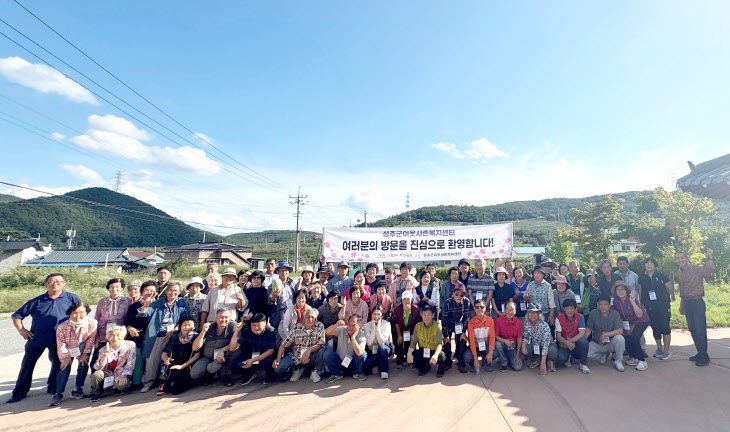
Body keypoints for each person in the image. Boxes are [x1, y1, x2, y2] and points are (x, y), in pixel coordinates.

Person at [8, 273, 81, 403]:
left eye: (59, 281)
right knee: (27, 365)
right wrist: (22, 330)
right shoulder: (36, 301)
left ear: (64, 283)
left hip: (60, 339)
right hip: (36, 339)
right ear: (46, 285)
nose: (55, 284)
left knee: (58, 364)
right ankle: (19, 393)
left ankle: (53, 387)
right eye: (51, 282)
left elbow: (81, 314)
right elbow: (17, 316)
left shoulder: (71, 298)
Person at [137, 281, 188, 393]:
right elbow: (144, 314)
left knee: (168, 359)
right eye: (170, 290)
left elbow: (185, 318)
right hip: (156, 335)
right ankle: (148, 382)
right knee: (152, 360)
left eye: (176, 290)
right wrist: (145, 306)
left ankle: (163, 382)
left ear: (179, 292)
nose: (172, 293)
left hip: (173, 335)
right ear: (166, 290)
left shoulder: (182, 303)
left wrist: (175, 330)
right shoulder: (158, 302)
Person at [49, 302, 98, 407]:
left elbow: (91, 339)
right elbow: (61, 343)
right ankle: (58, 393)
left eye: (81, 312)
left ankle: (78, 388)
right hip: (68, 349)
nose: (78, 315)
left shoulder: (92, 323)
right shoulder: (62, 326)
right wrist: (66, 357)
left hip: (83, 347)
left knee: (83, 363)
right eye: (75, 313)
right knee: (64, 367)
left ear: (87, 312)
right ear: (70, 314)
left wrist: (85, 353)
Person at [675, 248, 715, 367]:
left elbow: (709, 270)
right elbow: (682, 291)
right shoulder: (679, 273)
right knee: (692, 329)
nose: (680, 260)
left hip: (697, 302)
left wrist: (710, 257)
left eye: (682, 257)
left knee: (700, 329)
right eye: (678, 258)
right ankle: (700, 352)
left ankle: (704, 356)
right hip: (687, 303)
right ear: (675, 260)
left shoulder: (696, 269)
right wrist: (682, 305)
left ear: (686, 258)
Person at [273, 309, 326, 382]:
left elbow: (321, 343)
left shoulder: (320, 326)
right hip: (297, 356)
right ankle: (298, 368)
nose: (310, 319)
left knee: (322, 351)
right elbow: (283, 344)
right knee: (279, 367)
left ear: (316, 319)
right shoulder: (297, 327)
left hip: (312, 355)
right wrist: (278, 358)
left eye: (312, 317)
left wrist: (309, 350)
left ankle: (315, 371)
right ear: (303, 319)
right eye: (308, 317)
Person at [92, 278, 133, 368]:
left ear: (122, 288)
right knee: (98, 359)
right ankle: (97, 379)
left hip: (119, 336)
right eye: (111, 287)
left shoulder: (128, 301)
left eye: (117, 287)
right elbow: (96, 318)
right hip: (104, 335)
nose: (114, 289)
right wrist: (96, 335)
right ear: (108, 288)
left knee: (117, 360)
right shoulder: (102, 301)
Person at [229, 313, 277, 386]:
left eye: (258, 325)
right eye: (253, 325)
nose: (256, 328)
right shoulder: (247, 332)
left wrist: (252, 360)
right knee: (233, 363)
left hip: (266, 355)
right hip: (252, 354)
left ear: (264, 323)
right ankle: (249, 373)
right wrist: (236, 331)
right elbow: (232, 348)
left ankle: (269, 375)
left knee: (268, 361)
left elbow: (270, 351)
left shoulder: (271, 331)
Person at [89, 326, 136, 402]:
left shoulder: (130, 345)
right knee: (96, 374)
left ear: (123, 336)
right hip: (108, 373)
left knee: (121, 385)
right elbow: (97, 367)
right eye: (112, 335)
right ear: (108, 337)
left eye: (118, 335)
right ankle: (97, 393)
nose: (115, 338)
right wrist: (105, 356)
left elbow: (131, 362)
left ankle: (118, 389)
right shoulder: (103, 349)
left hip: (121, 372)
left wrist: (124, 375)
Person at [639, 257, 674, 360]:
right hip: (650, 306)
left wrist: (664, 299)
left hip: (663, 306)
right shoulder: (642, 277)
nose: (649, 265)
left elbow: (670, 288)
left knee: (665, 327)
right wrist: (642, 303)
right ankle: (659, 348)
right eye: (647, 263)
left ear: (655, 265)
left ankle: (666, 350)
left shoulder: (661, 275)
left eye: (651, 263)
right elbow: (641, 291)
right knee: (655, 327)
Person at [124, 280, 157, 388]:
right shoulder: (134, 306)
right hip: (137, 337)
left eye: (152, 290)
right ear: (141, 292)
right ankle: (136, 382)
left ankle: (150, 381)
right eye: (146, 290)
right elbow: (127, 321)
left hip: (153, 338)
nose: (149, 292)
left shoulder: (160, 304)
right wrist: (129, 328)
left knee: (151, 360)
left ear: (156, 292)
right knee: (137, 357)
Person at [191, 309, 236, 386]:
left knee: (213, 368)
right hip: (207, 357)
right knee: (194, 374)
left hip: (223, 356)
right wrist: (203, 332)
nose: (223, 320)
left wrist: (222, 350)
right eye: (221, 317)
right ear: (216, 318)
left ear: (230, 318)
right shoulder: (210, 327)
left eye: (226, 317)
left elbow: (235, 345)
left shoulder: (233, 326)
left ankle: (219, 374)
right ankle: (209, 375)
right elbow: (195, 348)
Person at [157, 316, 200, 396]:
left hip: (187, 366)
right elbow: (164, 353)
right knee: (172, 374)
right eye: (184, 325)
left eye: (190, 325)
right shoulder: (174, 337)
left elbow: (197, 355)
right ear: (180, 327)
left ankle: (173, 383)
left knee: (175, 391)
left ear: (194, 327)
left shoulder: (196, 337)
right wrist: (166, 360)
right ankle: (166, 384)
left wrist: (182, 366)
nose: (187, 327)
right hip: (173, 365)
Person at [612, 281, 650, 371]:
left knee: (634, 338)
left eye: (622, 289)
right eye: (618, 289)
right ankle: (634, 357)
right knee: (626, 338)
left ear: (626, 290)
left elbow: (640, 314)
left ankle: (642, 361)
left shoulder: (632, 298)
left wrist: (633, 302)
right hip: (628, 323)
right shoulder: (616, 301)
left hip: (641, 321)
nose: (620, 291)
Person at [585, 295, 626, 372]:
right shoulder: (593, 313)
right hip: (598, 342)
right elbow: (588, 329)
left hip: (611, 342)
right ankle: (603, 354)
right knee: (586, 352)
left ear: (610, 305)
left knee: (620, 338)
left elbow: (620, 330)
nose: (602, 307)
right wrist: (583, 341)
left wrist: (605, 334)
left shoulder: (615, 314)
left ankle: (618, 361)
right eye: (600, 304)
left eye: (605, 304)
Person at [324, 315, 368, 382]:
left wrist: (353, 338)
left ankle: (358, 373)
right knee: (327, 354)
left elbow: (360, 353)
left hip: (353, 363)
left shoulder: (362, 336)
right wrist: (336, 325)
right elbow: (327, 332)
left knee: (363, 354)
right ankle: (336, 374)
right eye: (349, 324)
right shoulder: (343, 329)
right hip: (340, 361)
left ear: (359, 326)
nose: (350, 327)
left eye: (353, 325)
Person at [407, 305, 446, 377]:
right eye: (424, 315)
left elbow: (439, 344)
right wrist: (409, 353)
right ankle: (425, 368)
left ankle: (441, 369)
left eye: (428, 315)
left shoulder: (437, 326)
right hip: (424, 351)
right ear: (422, 315)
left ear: (433, 315)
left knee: (441, 355)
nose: (426, 317)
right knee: (412, 355)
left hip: (434, 351)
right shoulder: (418, 326)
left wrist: (435, 355)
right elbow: (413, 342)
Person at [441, 284, 472, 373]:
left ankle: (460, 362)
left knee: (462, 342)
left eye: (461, 295)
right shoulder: (447, 303)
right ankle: (447, 362)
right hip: (449, 323)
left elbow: (466, 317)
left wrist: (463, 332)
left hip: (460, 324)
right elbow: (444, 320)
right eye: (457, 294)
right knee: (447, 342)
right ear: (453, 293)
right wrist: (446, 335)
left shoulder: (466, 302)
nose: (459, 297)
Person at [555, 298, 590, 374]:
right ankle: (569, 358)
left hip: (575, 343)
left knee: (584, 341)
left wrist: (570, 342)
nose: (569, 311)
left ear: (575, 309)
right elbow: (558, 336)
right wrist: (566, 343)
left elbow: (582, 333)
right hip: (564, 344)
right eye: (567, 308)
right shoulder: (559, 318)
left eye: (572, 308)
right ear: (564, 309)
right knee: (560, 359)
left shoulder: (580, 317)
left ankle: (583, 364)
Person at [521, 304, 557, 375]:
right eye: (531, 312)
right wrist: (523, 345)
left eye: (535, 312)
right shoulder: (527, 324)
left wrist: (543, 364)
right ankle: (536, 360)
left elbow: (546, 345)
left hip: (548, 345)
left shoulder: (544, 326)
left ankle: (549, 360)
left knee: (552, 351)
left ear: (539, 314)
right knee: (527, 348)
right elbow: (526, 337)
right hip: (536, 345)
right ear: (528, 314)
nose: (533, 315)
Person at [465, 299, 497, 373]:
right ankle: (473, 364)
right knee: (466, 357)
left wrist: (490, 353)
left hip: (485, 346)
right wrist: (476, 360)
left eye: (482, 307)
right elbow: (472, 342)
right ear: (474, 309)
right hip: (476, 347)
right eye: (477, 307)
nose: (479, 309)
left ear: (485, 308)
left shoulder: (490, 321)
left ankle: (486, 362)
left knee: (495, 353)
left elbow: (492, 337)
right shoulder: (471, 323)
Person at [392, 290, 420, 368]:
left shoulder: (416, 309)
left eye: (408, 299)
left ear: (411, 300)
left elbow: (417, 323)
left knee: (411, 342)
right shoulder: (397, 309)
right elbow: (396, 323)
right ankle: (400, 360)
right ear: (401, 300)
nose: (406, 301)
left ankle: (410, 360)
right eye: (404, 299)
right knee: (399, 342)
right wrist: (399, 335)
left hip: (411, 330)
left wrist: (413, 335)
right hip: (399, 330)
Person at [362, 305, 393, 379]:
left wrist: (378, 328)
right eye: (374, 314)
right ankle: (376, 365)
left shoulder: (386, 324)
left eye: (378, 314)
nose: (376, 316)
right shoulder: (366, 326)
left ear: (382, 315)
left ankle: (384, 371)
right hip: (371, 350)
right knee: (367, 366)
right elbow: (369, 343)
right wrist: (373, 329)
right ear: (371, 315)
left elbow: (382, 342)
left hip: (384, 348)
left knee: (381, 348)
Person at [494, 301, 523, 372]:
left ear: (515, 311)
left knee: (518, 367)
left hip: (513, 347)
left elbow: (519, 338)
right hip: (502, 344)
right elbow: (495, 336)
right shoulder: (498, 321)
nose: (510, 312)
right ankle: (504, 363)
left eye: (512, 310)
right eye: (508, 310)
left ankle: (509, 358)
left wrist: (517, 354)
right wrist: (505, 341)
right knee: (497, 344)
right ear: (505, 310)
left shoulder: (518, 322)